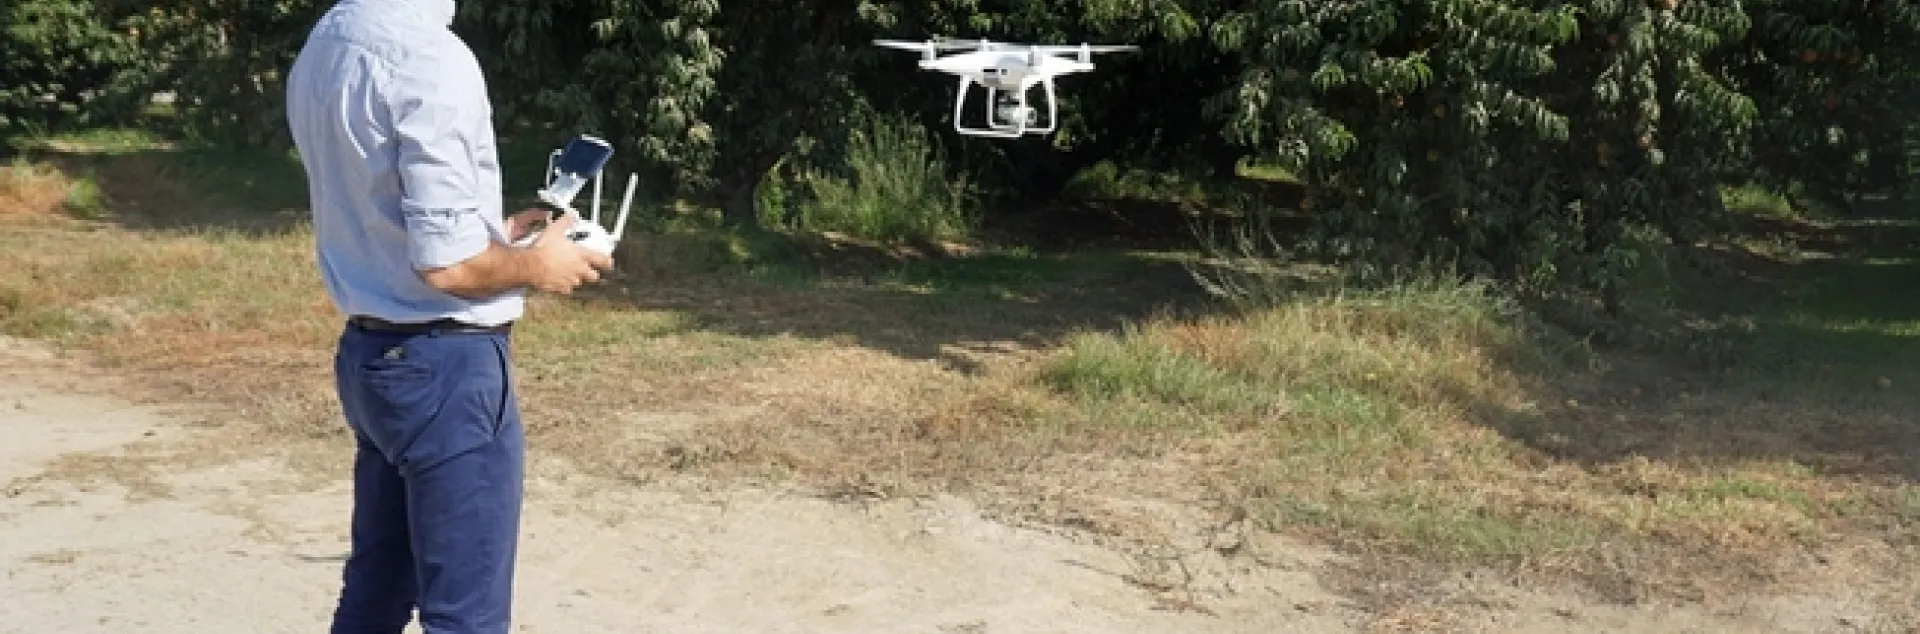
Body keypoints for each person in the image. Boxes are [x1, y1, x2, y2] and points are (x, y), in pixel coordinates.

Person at [283, 0, 613, 632]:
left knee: (377, 585)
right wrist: (539, 266)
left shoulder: (329, 39)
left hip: (371, 355)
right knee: (466, 614)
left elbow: (391, 212)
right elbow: (451, 268)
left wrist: (500, 235)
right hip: (444, 366)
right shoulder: (429, 56)